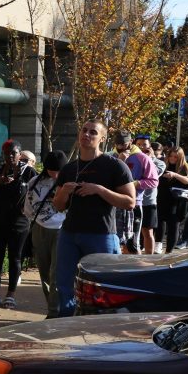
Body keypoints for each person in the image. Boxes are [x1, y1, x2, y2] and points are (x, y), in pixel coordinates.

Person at [52, 121, 136, 316]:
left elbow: (130, 202)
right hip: (69, 234)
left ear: (102, 138)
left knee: (104, 286)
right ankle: (66, 323)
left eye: (93, 132)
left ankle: (99, 326)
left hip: (101, 234)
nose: (87, 135)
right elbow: (58, 205)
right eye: (84, 130)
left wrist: (99, 190)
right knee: (64, 284)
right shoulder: (69, 168)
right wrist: (64, 191)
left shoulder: (115, 166)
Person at [0, 139, 36, 309]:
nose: (10, 156)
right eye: (6, 153)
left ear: (20, 154)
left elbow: (38, 194)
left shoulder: (29, 173)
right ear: (2, 154)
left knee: (15, 257)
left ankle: (11, 294)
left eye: (14, 153)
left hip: (19, 223)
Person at [23, 150, 66, 318]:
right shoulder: (35, 182)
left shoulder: (69, 183)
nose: (55, 174)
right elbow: (27, 208)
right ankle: (52, 307)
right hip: (39, 229)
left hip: (62, 230)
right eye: (52, 170)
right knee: (44, 272)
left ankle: (55, 313)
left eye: (58, 171)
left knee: (56, 272)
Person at [135, 134, 165, 254]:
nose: (142, 147)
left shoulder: (159, 163)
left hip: (148, 202)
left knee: (147, 232)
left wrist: (150, 158)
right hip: (134, 201)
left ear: (150, 147)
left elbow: (153, 176)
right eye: (139, 145)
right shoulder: (131, 160)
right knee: (132, 232)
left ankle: (149, 259)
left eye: (145, 145)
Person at [159, 147, 188, 250]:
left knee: (173, 225)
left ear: (180, 157)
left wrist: (174, 175)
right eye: (171, 156)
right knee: (160, 222)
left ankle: (169, 251)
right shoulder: (163, 165)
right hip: (162, 198)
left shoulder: (186, 168)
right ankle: (158, 247)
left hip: (177, 202)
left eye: (176, 157)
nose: (172, 158)